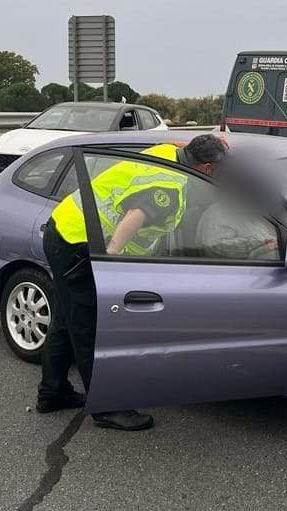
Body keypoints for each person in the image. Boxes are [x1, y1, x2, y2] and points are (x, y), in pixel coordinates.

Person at [36, 134, 228, 431]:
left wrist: (219, 142)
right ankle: (107, 408)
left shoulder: (167, 152)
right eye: (215, 170)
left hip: (64, 227)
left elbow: (183, 146)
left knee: (67, 319)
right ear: (204, 168)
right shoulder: (168, 188)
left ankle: (52, 393)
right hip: (81, 245)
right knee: (89, 328)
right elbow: (135, 216)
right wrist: (109, 260)